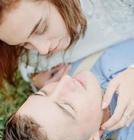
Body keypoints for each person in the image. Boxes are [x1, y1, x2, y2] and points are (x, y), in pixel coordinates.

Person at [1, 38, 134, 140]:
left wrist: (36, 77)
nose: (63, 81)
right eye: (66, 106)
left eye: (42, 93)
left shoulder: (61, 67)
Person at [0, 0, 134, 130]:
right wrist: (37, 79)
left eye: (41, 29)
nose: (43, 50)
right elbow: (26, 66)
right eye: (24, 44)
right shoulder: (35, 55)